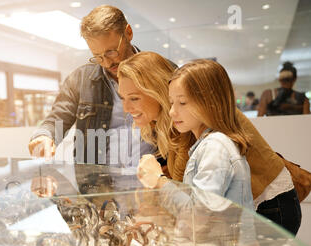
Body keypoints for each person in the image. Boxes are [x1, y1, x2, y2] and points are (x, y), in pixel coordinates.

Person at [117, 51, 301, 235]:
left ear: (157, 91)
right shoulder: (181, 120)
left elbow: (194, 209)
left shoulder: (202, 132)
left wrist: (158, 183)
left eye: (134, 98)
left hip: (268, 204)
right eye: (122, 98)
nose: (126, 108)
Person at [27, 5, 175, 166]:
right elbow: (57, 118)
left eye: (111, 51)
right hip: (97, 184)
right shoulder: (81, 79)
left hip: (155, 178)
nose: (107, 62)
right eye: (97, 56)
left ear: (128, 32)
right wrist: (44, 136)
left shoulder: (165, 72)